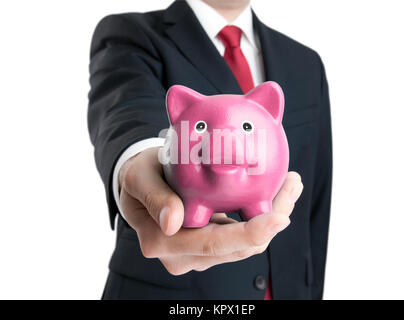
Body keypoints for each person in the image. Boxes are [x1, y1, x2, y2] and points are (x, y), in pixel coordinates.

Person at [88, 0, 332, 300]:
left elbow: (316, 205)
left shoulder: (305, 62)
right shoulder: (132, 37)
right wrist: (141, 161)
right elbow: (127, 111)